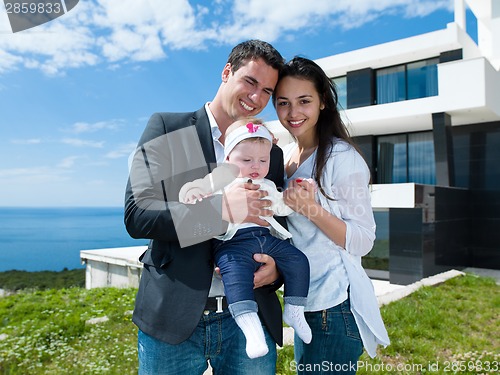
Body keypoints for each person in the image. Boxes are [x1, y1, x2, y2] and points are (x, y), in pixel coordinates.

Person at [125, 40, 286, 375]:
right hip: (173, 320)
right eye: (250, 82)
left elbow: (280, 226)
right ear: (226, 72)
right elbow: (138, 214)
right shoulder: (169, 128)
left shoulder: (270, 151)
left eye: (267, 91)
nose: (256, 98)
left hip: (251, 318)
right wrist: (220, 211)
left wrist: (278, 270)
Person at [273, 56, 390, 374]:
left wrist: (311, 209)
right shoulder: (284, 157)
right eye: (283, 102)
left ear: (323, 101)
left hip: (335, 307)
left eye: (304, 101)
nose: (293, 113)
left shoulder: (342, 158)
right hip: (306, 303)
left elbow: (363, 240)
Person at [179, 118, 312, 359]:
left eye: (263, 160)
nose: (256, 166)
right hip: (232, 244)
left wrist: (297, 197)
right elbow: (198, 190)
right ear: (228, 159)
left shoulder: (268, 184)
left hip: (265, 239)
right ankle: (251, 331)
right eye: (247, 160)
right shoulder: (221, 179)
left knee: (298, 260)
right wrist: (193, 192)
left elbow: (281, 208)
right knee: (237, 279)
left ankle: (295, 309)